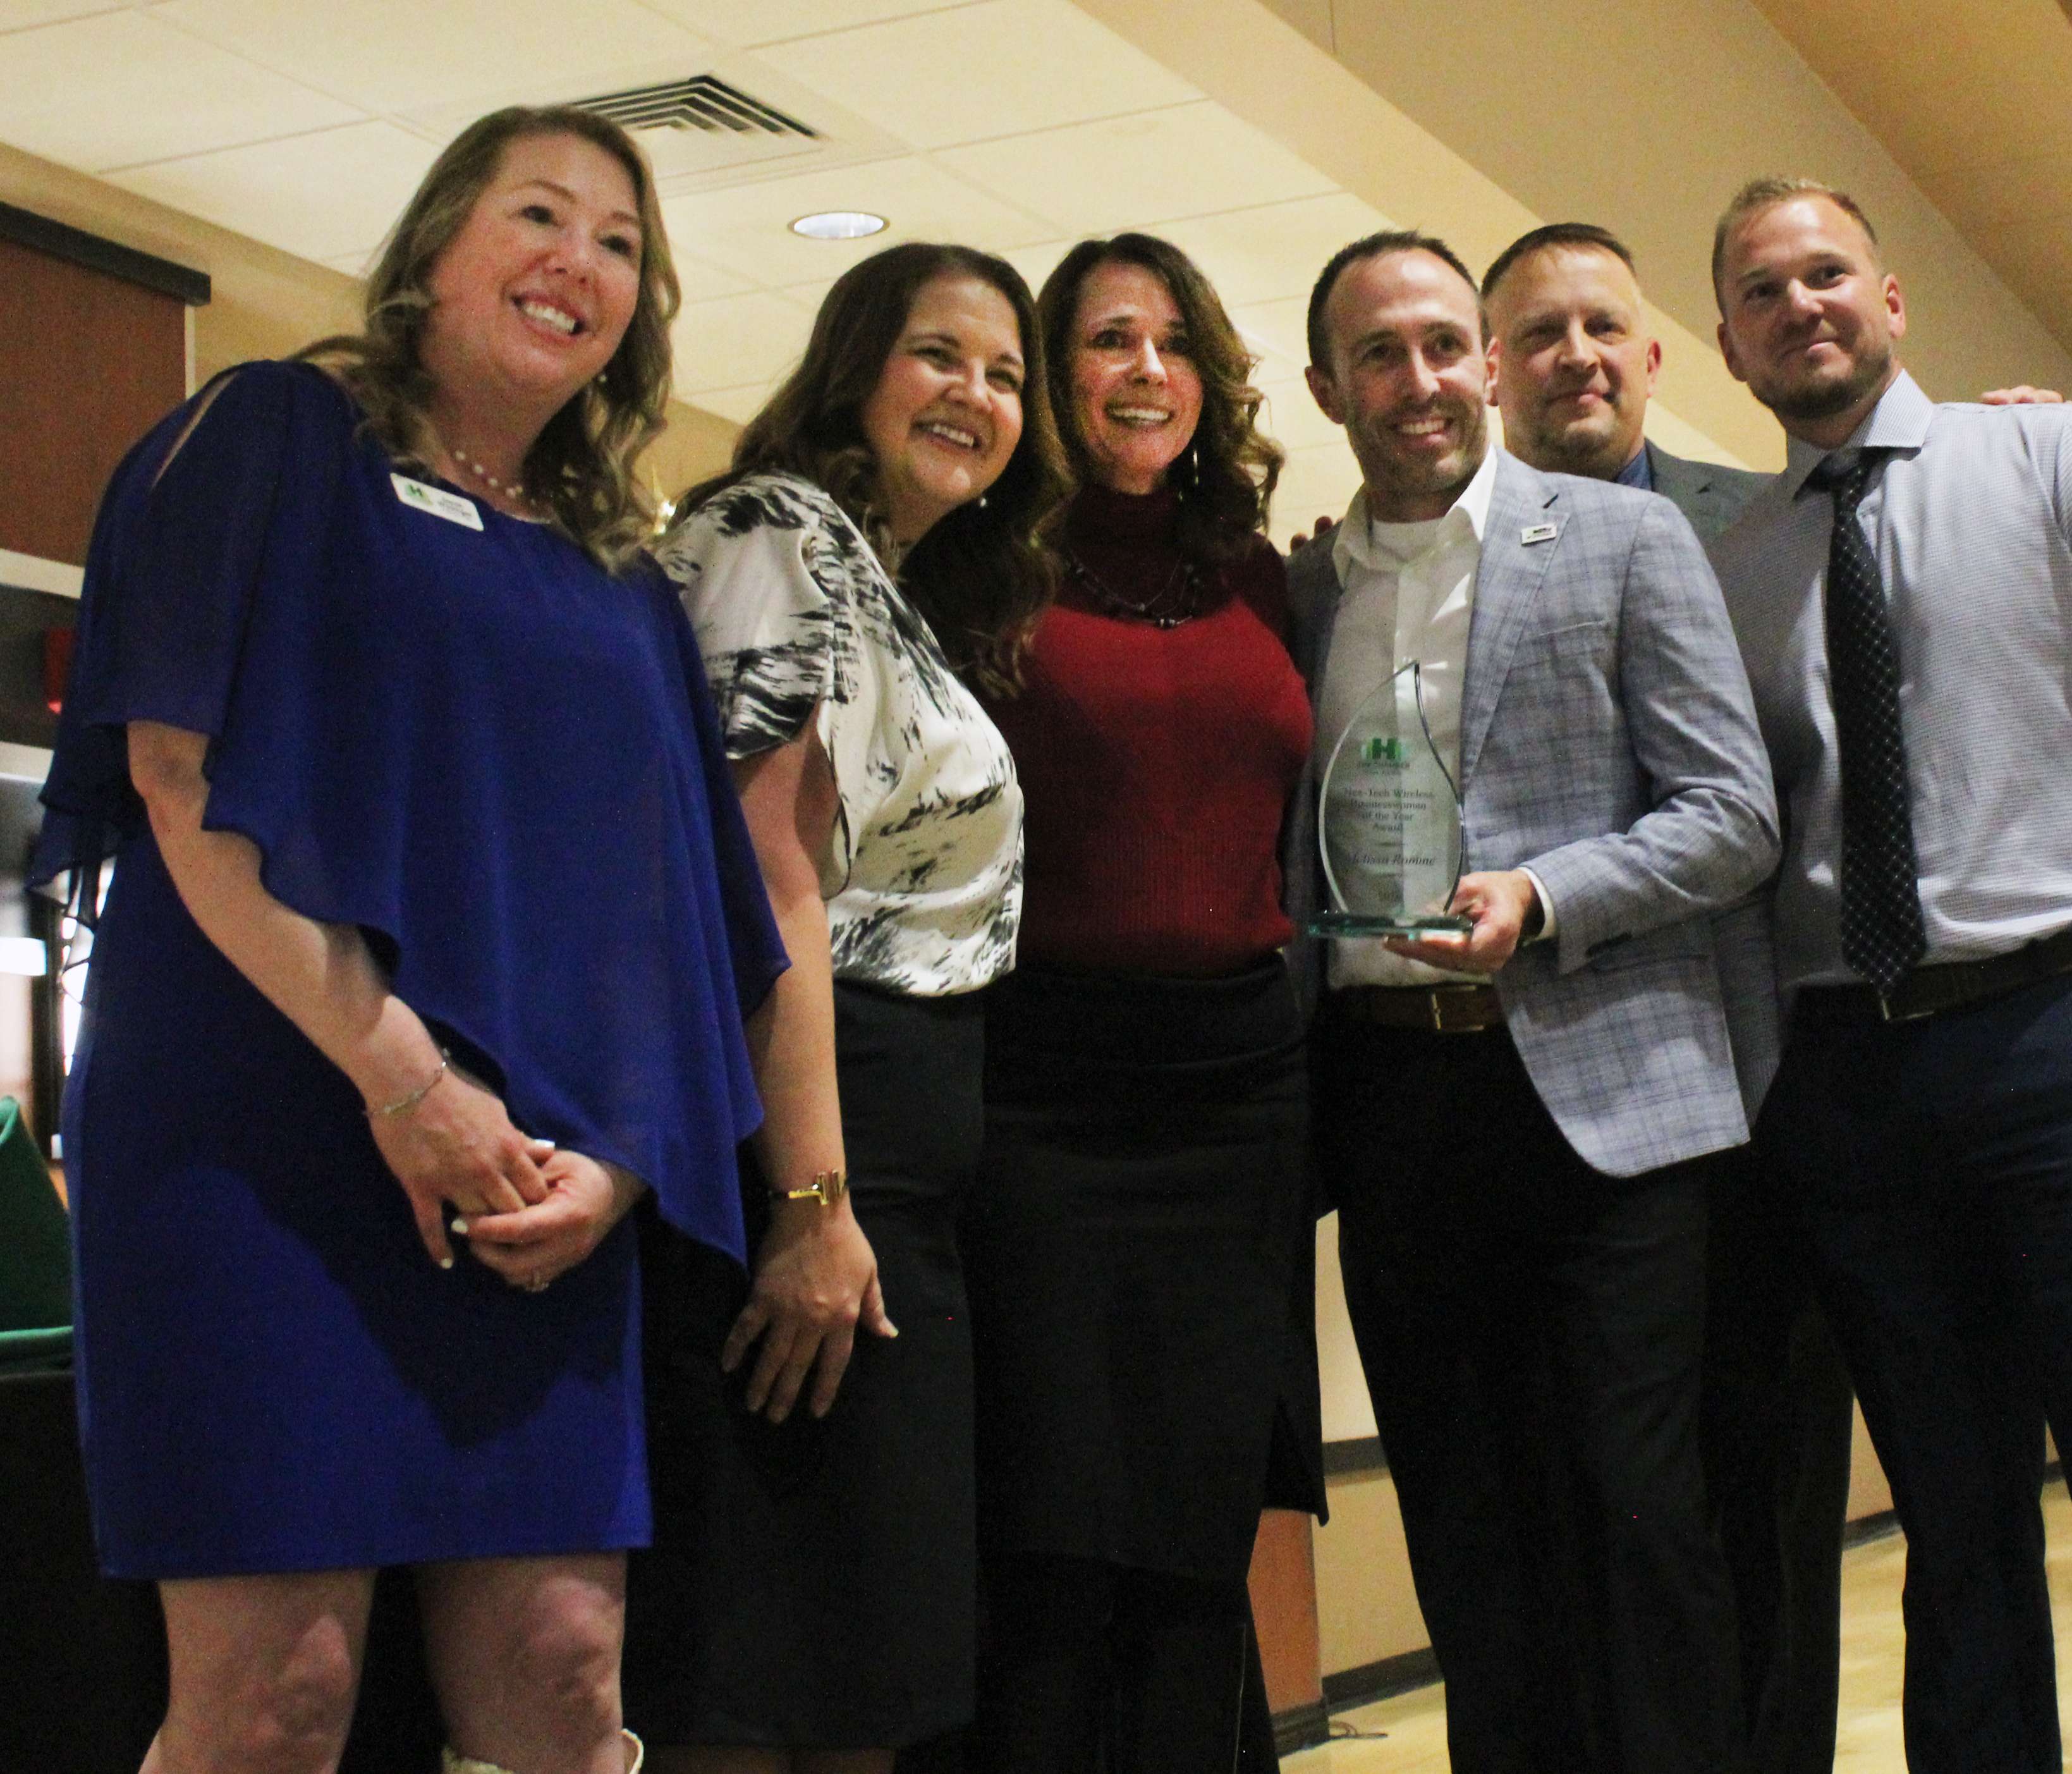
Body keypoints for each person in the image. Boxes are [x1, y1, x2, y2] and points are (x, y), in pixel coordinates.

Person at [35, 106, 785, 1774]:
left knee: (566, 1668)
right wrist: (407, 1086)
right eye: (539, 213)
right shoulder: (272, 432)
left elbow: (677, 926)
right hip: (267, 1143)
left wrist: (624, 1164)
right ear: (433, 250)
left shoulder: (618, 575)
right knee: (276, 1698)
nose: (578, 261)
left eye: (619, 243)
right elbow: (179, 776)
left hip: (531, 1190)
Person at [1706, 176, 2072, 1774]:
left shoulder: (2058, 455)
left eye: (1825, 272)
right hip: (1848, 1074)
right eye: (1761, 293)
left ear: (1891, 299)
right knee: (1952, 1532)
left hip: (2069, 1032)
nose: (1799, 305)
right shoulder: (1734, 559)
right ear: (1727, 347)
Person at [1286, 228, 1779, 1773]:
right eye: (1379, 353)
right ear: (1326, 385)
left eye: (1442, 344)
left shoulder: (1624, 541)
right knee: (1466, 1526)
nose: (1419, 380)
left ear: (1484, 364)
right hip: (1390, 1110)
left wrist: (1543, 895)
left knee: (1637, 1521)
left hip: (1607, 1100)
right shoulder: (1301, 588)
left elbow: (1730, 814)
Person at [620, 240, 1064, 1774]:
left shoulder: (886, 580)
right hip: (806, 1150)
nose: (977, 394)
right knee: (763, 1687)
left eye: (1007, 374)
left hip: (890, 1169)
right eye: (940, 355)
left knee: (853, 1684)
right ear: (853, 366)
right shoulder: (781, 532)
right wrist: (811, 1199)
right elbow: (767, 885)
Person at [1477, 218, 1846, 1774]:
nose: (1573, 355)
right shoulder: (1443, 552)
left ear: (1652, 352)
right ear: (1494, 372)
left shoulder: (1766, 527)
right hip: (1550, 1108)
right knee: (1596, 1505)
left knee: (1761, 1491)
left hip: (1773, 1081)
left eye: (1599, 326)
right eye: (1537, 332)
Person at [960, 231, 1323, 1773]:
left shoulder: (1258, 572)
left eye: (1173, 339)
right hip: (1042, 1084)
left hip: (1236, 1093)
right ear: (1055, 372)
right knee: (1052, 1517)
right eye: (1109, 337)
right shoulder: (983, 564)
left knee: (1193, 1516)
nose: (1145, 368)